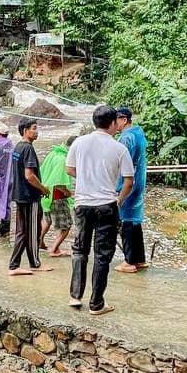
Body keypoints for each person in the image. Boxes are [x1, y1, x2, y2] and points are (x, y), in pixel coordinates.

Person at [66, 105, 134, 315]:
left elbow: (69, 169)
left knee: (80, 250)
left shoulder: (79, 142)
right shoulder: (119, 148)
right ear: (113, 123)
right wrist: (119, 200)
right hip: (106, 205)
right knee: (102, 255)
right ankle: (96, 304)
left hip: (82, 204)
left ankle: (75, 296)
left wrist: (87, 178)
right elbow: (129, 181)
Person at [9, 119, 52, 275]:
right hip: (29, 196)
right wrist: (43, 188)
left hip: (19, 194)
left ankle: (15, 265)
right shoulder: (28, 149)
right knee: (33, 230)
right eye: (34, 128)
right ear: (25, 130)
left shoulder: (17, 147)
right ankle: (33, 263)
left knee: (22, 230)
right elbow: (29, 176)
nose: (36, 131)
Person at [114, 107, 149, 273]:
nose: (114, 124)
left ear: (124, 120)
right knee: (134, 221)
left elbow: (120, 162)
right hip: (138, 181)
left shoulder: (127, 137)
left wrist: (118, 190)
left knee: (126, 221)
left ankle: (129, 261)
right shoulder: (138, 133)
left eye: (116, 120)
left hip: (127, 182)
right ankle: (139, 258)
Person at [38, 132, 77, 257]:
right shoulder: (63, 160)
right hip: (57, 197)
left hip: (46, 196)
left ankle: (39, 242)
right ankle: (54, 249)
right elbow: (58, 183)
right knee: (66, 226)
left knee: (47, 220)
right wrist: (68, 193)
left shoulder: (54, 153)